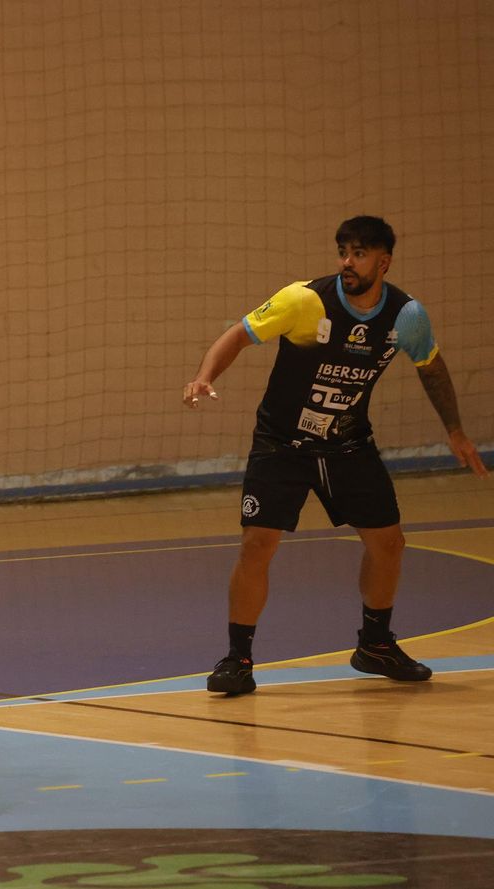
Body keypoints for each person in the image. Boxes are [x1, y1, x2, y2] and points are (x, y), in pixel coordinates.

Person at [183, 216, 487, 695]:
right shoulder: (304, 301)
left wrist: (455, 431)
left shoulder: (406, 316)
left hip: (348, 443)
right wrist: (205, 376)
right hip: (282, 443)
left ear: (383, 262)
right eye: (343, 251)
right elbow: (238, 335)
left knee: (389, 543)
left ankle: (376, 644)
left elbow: (431, 366)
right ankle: (237, 659)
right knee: (257, 545)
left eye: (360, 253)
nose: (347, 261)